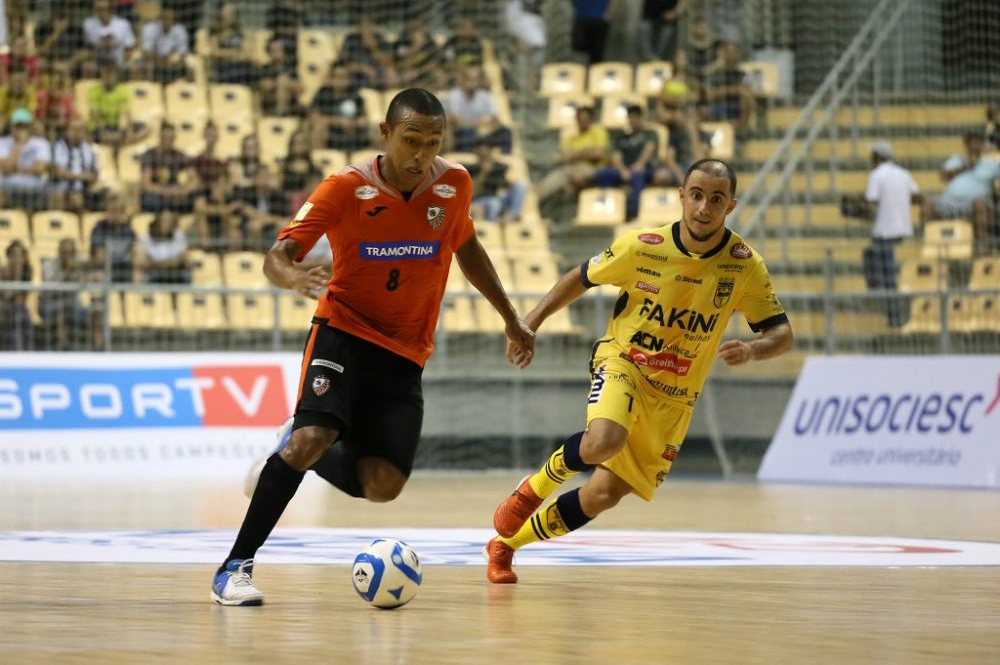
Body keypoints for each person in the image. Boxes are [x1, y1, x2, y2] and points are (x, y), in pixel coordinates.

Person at [211, 88, 535, 606]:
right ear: (386, 134)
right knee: (311, 438)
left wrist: (511, 317)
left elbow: (466, 245)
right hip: (343, 330)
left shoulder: (455, 184)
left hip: (405, 351)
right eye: (411, 140)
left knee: (383, 485)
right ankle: (234, 568)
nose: (422, 154)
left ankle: (294, 444)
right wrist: (294, 277)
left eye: (433, 142)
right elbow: (278, 254)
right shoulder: (345, 187)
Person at [484, 158, 793, 584]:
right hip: (624, 362)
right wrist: (529, 322)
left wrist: (755, 350)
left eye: (716, 199)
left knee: (602, 495)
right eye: (697, 195)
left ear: (731, 206)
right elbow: (581, 276)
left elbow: (782, 333)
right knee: (604, 440)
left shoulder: (745, 265)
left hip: (675, 397)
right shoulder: (643, 246)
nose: (704, 207)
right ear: (681, 197)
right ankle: (531, 490)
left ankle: (506, 546)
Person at [842, 142, 921, 327]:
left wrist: (853, 200)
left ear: (876, 157)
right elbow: (918, 196)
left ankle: (886, 305)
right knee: (879, 264)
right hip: (903, 230)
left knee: (885, 273)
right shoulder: (903, 173)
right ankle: (885, 302)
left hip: (885, 232)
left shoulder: (876, 175)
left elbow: (871, 206)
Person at [920, 133, 1000, 256]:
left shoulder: (991, 164)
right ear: (966, 143)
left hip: (973, 204)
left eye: (978, 142)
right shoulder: (955, 160)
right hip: (950, 203)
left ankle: (981, 245)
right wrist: (964, 167)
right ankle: (928, 243)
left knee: (980, 203)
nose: (975, 145)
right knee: (927, 204)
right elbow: (943, 177)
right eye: (972, 142)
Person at [592, 104, 659, 221]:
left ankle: (634, 215)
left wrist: (639, 164)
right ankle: (608, 211)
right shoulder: (622, 137)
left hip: (644, 169)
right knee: (603, 174)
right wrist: (622, 170)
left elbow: (649, 149)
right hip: (625, 171)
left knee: (637, 176)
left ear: (641, 117)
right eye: (630, 117)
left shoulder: (650, 133)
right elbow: (616, 156)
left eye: (635, 117)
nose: (633, 120)